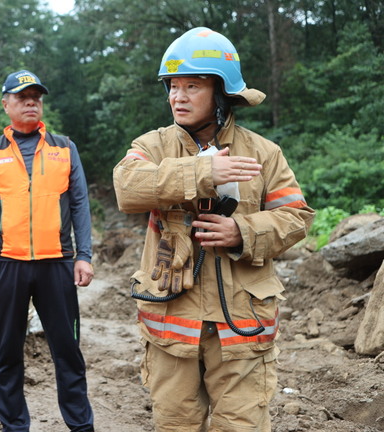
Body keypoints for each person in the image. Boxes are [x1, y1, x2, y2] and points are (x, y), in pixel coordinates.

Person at [113, 27, 315, 431]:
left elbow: (296, 217)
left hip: (242, 327)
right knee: (176, 425)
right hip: (173, 328)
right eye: (172, 86)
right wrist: (204, 170)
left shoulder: (263, 153)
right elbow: (127, 186)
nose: (177, 96)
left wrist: (242, 231)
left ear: (221, 93)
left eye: (192, 85)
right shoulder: (152, 146)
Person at [0, 70, 95, 432]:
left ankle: (81, 426)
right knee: (8, 354)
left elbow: (79, 204)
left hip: (56, 264)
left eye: (36, 97)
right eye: (22, 97)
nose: (30, 103)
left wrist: (83, 255)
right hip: (7, 265)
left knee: (68, 351)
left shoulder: (64, 148)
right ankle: (14, 427)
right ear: (6, 103)